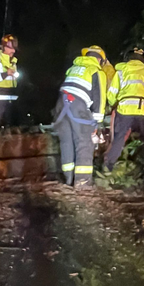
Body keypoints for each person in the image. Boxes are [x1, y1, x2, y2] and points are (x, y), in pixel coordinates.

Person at [54, 45, 108, 188]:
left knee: (67, 142)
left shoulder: (73, 69)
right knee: (84, 143)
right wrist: (98, 122)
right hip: (77, 106)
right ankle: (83, 183)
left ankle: (69, 180)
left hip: (60, 105)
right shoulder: (96, 71)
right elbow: (99, 98)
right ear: (99, 60)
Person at [104, 48, 144, 178]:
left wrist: (114, 104)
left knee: (119, 139)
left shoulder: (121, 72)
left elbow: (112, 94)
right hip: (143, 109)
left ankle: (108, 168)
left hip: (124, 110)